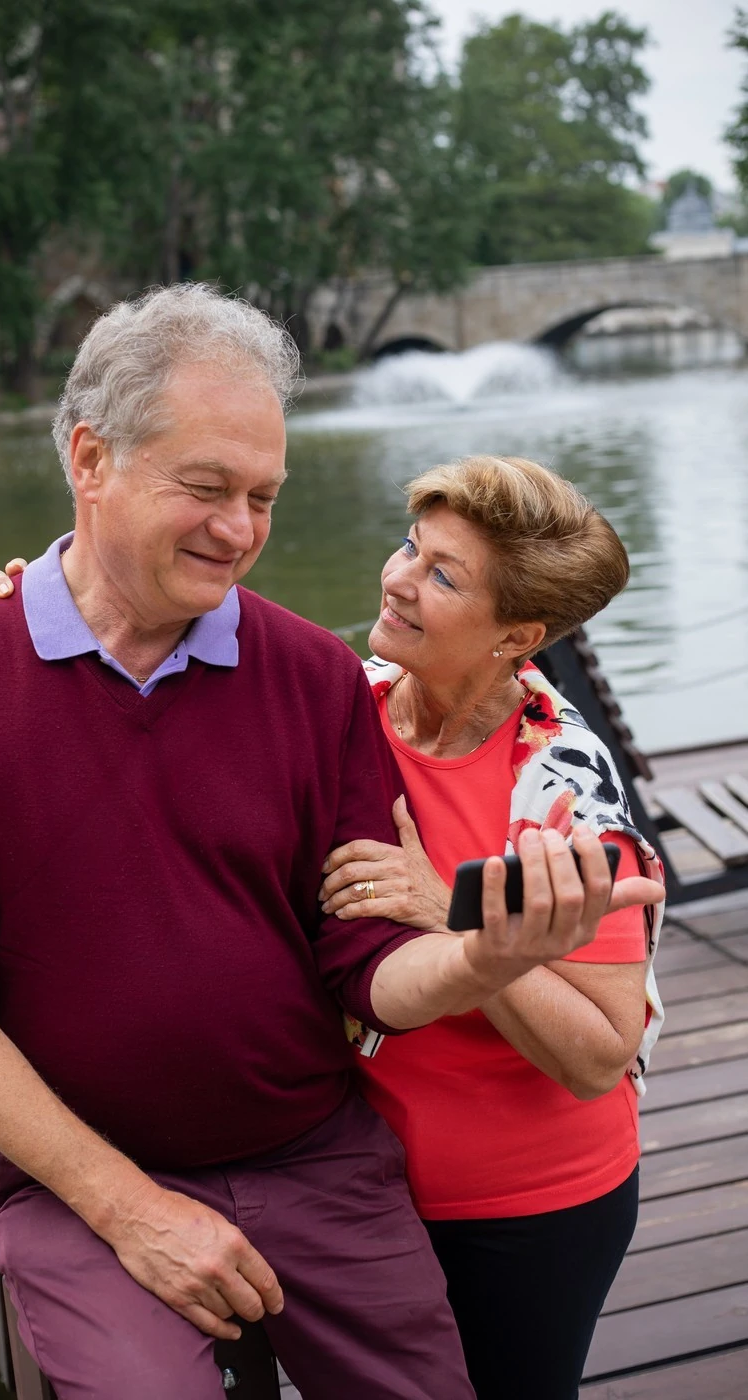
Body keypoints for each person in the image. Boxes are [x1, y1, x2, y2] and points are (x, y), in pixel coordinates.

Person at [0, 285, 661, 1400]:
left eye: (264, 496)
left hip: (332, 1154)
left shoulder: (324, 680)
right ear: (90, 459)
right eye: (205, 486)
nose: (239, 528)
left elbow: (364, 958)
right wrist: (127, 1207)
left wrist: (485, 949)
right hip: (86, 1173)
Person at [316, 456, 665, 1400]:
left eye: (441, 575)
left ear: (518, 635)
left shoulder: (564, 796)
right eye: (409, 548)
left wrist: (450, 914)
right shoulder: (340, 704)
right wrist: (11, 598)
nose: (397, 578)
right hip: (353, 1183)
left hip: (528, 1207)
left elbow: (600, 1054)